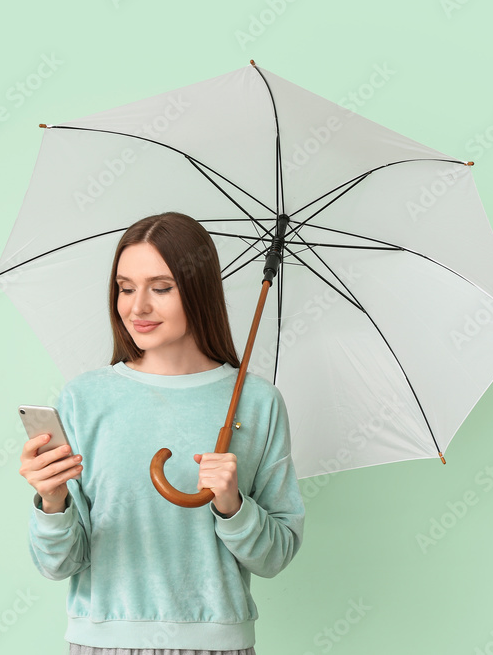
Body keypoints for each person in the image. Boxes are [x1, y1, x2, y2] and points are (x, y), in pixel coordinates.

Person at [19, 212, 305, 655]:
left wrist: (233, 506)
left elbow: (276, 555)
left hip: (218, 644)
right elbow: (58, 565)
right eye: (126, 288)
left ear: (199, 290)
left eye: (162, 288)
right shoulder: (84, 399)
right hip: (101, 642)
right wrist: (53, 503)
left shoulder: (257, 402)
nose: (138, 308)